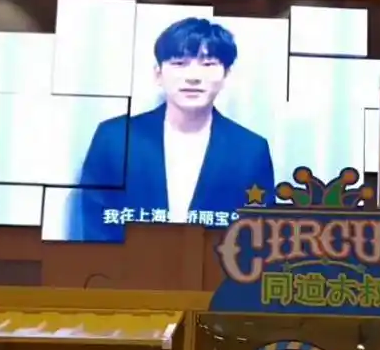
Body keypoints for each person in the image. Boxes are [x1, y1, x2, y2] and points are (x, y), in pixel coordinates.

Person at [66, 16, 276, 242]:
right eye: (179, 63)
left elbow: (257, 236)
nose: (193, 77)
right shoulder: (115, 138)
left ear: (226, 75)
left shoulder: (251, 150)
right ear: (158, 74)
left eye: (208, 64)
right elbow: (95, 227)